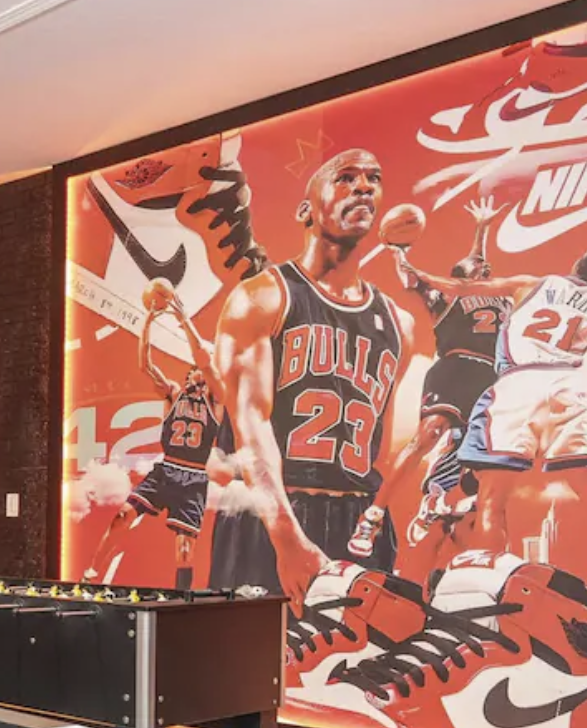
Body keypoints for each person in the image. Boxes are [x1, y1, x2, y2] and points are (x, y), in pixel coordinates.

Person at [400, 241, 587, 622]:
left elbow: (463, 288)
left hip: (518, 386)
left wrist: (419, 273)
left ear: (576, 262)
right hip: (566, 388)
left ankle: (486, 603)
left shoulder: (532, 284)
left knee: (491, 499)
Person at [208, 148, 409, 602]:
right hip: (273, 513)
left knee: (364, 650)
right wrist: (287, 537)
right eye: (346, 177)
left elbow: (381, 449)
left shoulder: (399, 323)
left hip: (356, 516)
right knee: (257, 647)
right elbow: (249, 428)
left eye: (373, 179)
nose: (363, 187)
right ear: (306, 211)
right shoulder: (263, 297)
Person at [349, 197, 510, 566]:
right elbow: (412, 280)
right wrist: (398, 252)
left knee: (480, 463)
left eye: (486, 269)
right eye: (479, 270)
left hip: (490, 377)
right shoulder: (446, 296)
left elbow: (478, 261)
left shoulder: (502, 297)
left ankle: (435, 497)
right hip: (455, 368)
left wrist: (481, 229)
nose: (486, 271)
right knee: (429, 433)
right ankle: (372, 517)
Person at [82, 291, 231, 587]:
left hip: (193, 477)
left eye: (203, 371)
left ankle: (182, 599)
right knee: (123, 516)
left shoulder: (216, 399)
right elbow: (145, 365)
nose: (199, 374)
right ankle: (91, 575)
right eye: (195, 372)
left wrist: (184, 320)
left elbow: (204, 358)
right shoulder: (174, 393)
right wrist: (148, 322)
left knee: (185, 551)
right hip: (166, 470)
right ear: (188, 376)